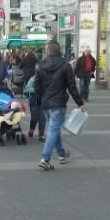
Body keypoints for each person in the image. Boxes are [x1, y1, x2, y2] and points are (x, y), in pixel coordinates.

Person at [34, 41, 86, 171]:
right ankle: (45, 158)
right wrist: (80, 103)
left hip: (46, 103)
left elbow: (36, 87)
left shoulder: (40, 65)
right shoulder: (65, 65)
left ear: (49, 51)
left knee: (53, 129)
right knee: (53, 130)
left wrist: (43, 97)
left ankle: (62, 154)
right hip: (58, 103)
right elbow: (72, 87)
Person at [24, 72, 46, 142]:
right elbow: (27, 90)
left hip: (43, 102)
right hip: (34, 101)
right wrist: (35, 90)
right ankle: (31, 130)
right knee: (35, 118)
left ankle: (41, 135)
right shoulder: (33, 79)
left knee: (42, 119)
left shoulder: (47, 79)